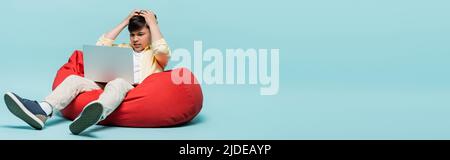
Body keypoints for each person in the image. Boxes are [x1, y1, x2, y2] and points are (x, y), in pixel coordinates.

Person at [3, 9, 171, 135]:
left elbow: (162, 48)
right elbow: (101, 45)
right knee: (74, 79)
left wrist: (153, 24)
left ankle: (94, 112)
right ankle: (42, 111)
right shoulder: (123, 49)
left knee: (118, 82)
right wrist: (124, 21)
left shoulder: (155, 55)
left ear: (150, 34)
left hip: (133, 90)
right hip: (106, 87)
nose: (135, 39)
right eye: (132, 35)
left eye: (140, 34)